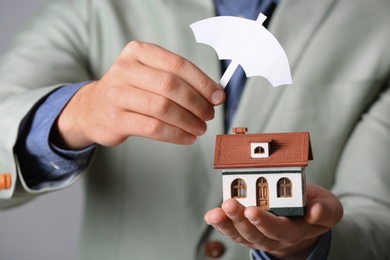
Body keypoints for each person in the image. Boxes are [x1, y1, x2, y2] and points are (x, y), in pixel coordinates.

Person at [0, 0, 389, 259]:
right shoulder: (92, 7)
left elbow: (379, 218)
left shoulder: (378, 20)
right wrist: (77, 113)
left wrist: (310, 247)